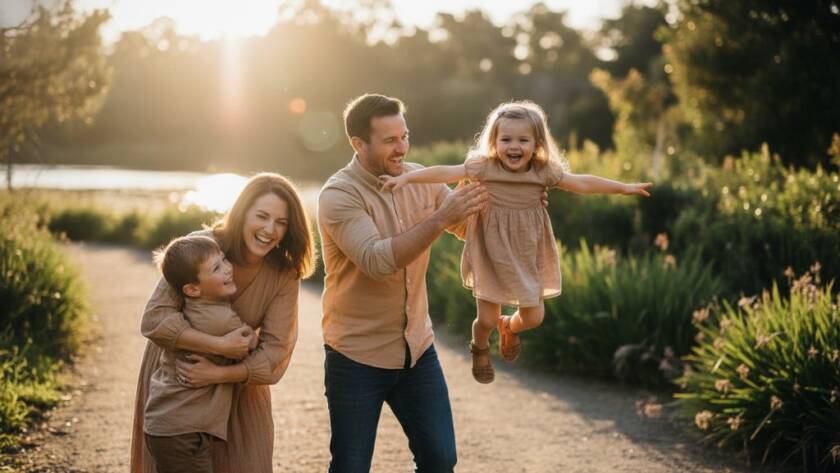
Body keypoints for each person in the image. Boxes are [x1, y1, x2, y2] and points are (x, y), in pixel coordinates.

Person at [380, 101, 652, 384]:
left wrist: (622, 188)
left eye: (523, 140)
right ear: (494, 142)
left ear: (536, 144)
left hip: (526, 254)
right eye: (506, 139)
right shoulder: (484, 167)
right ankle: (480, 346)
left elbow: (581, 183)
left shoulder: (542, 172)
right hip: (489, 252)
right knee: (485, 320)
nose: (514, 146)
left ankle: (509, 327)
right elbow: (445, 172)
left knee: (533, 318)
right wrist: (407, 179)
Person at [317, 93, 488, 472]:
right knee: (350, 467)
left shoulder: (420, 178)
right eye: (390, 140)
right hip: (356, 357)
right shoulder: (338, 195)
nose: (402, 148)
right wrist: (441, 218)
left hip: (417, 350)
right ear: (358, 144)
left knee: (440, 461)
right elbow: (378, 261)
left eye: (405, 136)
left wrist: (514, 197)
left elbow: (466, 225)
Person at [130, 173, 316, 473]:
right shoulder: (201, 247)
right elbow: (155, 319)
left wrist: (218, 373)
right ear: (242, 214)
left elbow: (274, 354)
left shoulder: (284, 274)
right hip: (180, 380)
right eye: (262, 216)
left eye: (281, 222)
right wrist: (218, 345)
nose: (270, 230)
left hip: (237, 386)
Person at [143, 235, 252, 473]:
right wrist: (253, 335)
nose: (227, 269)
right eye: (216, 268)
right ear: (192, 289)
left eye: (224, 260)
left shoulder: (192, 310)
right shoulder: (221, 320)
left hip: (167, 425)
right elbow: (248, 344)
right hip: (183, 430)